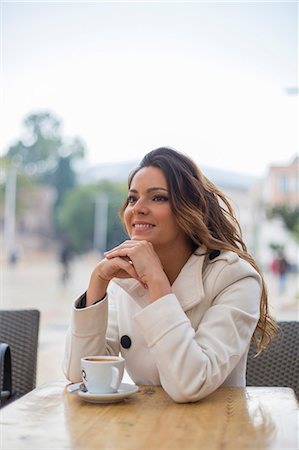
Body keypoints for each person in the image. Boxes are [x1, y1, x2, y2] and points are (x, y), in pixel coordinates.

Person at [63, 147, 277, 403]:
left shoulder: (235, 278)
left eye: (158, 198)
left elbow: (190, 384)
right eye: (132, 198)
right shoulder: (124, 282)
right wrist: (96, 286)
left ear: (189, 208)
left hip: (218, 431)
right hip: (143, 431)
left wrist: (156, 280)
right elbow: (79, 374)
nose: (138, 208)